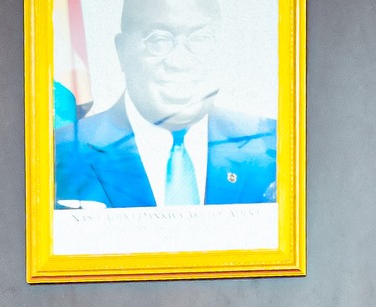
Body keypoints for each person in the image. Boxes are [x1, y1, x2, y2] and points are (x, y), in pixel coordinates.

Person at [53, 0, 278, 209]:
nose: (180, 61)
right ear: (122, 52)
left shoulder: (273, 147)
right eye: (158, 40)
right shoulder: (58, 153)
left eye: (200, 39)